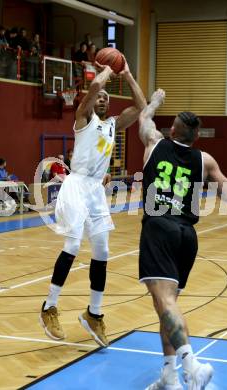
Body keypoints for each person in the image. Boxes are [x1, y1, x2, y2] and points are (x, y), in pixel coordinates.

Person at [39, 57, 146, 346]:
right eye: (97, 96)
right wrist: (107, 70)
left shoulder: (112, 125)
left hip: (96, 191)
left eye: (105, 97)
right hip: (75, 184)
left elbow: (141, 106)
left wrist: (127, 72)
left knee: (103, 249)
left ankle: (93, 314)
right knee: (73, 244)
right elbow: (96, 85)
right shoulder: (83, 119)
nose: (101, 97)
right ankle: (49, 307)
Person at [138, 89, 227, 390]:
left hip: (159, 229)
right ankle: (169, 375)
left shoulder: (155, 144)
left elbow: (144, 117)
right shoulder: (204, 159)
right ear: (196, 138)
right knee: (165, 306)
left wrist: (155, 101)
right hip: (187, 236)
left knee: (165, 302)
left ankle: (191, 366)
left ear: (171, 131)